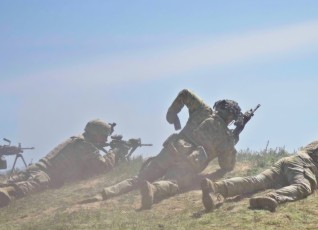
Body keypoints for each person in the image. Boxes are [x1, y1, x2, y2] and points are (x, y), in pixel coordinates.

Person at [85, 89, 244, 210]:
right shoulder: (227, 138)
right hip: (190, 163)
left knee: (139, 177)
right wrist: (235, 136)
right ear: (231, 118)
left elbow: (185, 93)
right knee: (173, 182)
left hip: (172, 149)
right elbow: (227, 166)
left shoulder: (203, 111)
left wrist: (172, 115)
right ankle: (153, 189)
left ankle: (103, 194)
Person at [201, 117, 318, 213]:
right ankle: (273, 198)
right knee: (302, 187)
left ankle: (216, 187)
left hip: (289, 160)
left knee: (257, 180)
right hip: (304, 166)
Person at [0, 119, 127, 206]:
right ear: (95, 133)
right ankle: (8, 192)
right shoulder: (85, 146)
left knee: (1, 183)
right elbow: (102, 167)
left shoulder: (77, 140)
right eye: (103, 135)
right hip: (44, 174)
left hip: (35, 168)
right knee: (31, 186)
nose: (106, 139)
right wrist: (116, 152)